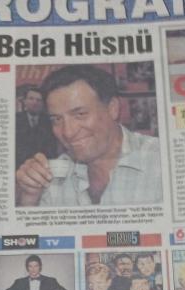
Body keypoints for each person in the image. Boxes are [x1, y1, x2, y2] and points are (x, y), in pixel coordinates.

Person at [16, 65, 162, 207]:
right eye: (57, 119)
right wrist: (29, 198)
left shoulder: (160, 159)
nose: (68, 132)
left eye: (80, 114)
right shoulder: (55, 174)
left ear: (113, 109)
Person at [0, 255, 71, 290]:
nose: (33, 269)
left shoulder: (51, 281)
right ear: (27, 268)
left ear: (40, 267)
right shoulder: (19, 283)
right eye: (30, 266)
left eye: (36, 266)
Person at [15, 85, 57, 168]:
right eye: (31, 99)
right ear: (24, 101)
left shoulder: (49, 121)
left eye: (38, 100)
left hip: (44, 165)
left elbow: (52, 148)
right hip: (19, 166)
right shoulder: (15, 119)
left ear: (43, 103)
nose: (35, 102)